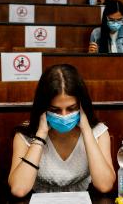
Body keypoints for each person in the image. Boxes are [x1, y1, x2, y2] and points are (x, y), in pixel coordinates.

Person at [8, 64, 115, 196]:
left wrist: (86, 130)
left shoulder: (99, 132)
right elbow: (19, 190)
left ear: (81, 105)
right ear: (43, 108)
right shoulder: (24, 135)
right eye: (55, 110)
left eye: (71, 108)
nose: (64, 116)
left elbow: (105, 185)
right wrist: (41, 135)